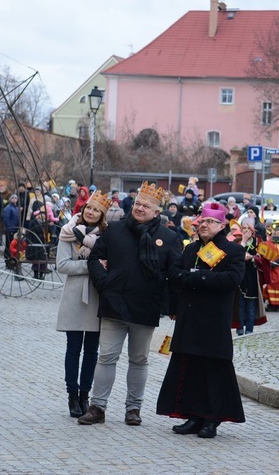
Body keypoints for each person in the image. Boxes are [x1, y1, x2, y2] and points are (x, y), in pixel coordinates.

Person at [79, 181, 181, 426]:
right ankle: (98, 407)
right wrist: (105, 282)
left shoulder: (168, 237)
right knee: (106, 357)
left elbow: (174, 273)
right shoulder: (114, 230)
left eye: (146, 206)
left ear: (157, 212)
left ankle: (133, 409)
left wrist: (171, 306)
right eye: (137, 204)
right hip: (114, 303)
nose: (140, 208)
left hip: (146, 306)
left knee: (139, 359)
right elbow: (95, 258)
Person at [157, 202, 246, 438]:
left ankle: (211, 418)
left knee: (213, 372)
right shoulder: (190, 249)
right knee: (190, 370)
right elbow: (174, 275)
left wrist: (197, 277)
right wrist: (195, 278)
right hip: (189, 320)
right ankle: (193, 415)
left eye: (209, 222)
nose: (203, 225)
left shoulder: (233, 251)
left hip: (213, 322)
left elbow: (231, 279)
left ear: (222, 224)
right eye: (202, 221)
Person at [56, 192, 110, 418]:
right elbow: (62, 265)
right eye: (88, 208)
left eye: (95, 210)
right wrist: (92, 265)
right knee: (73, 349)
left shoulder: (106, 236)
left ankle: (84, 395)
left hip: (97, 296)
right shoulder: (67, 233)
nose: (90, 212)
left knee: (91, 351)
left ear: (101, 215)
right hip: (74, 296)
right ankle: (71, 395)